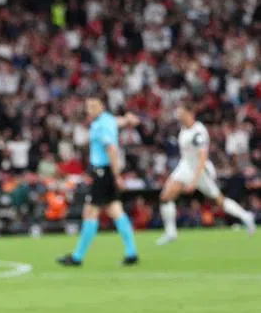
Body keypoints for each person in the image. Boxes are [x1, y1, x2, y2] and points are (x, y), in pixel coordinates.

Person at [157, 101, 255, 244]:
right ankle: (171, 233)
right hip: (184, 167)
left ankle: (246, 216)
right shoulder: (184, 129)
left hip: (200, 169)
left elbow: (202, 157)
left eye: (181, 111)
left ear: (189, 113)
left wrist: (194, 181)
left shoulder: (198, 131)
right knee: (165, 197)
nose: (178, 114)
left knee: (219, 200)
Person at [58, 99, 140, 267]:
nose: (89, 110)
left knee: (90, 213)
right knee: (115, 210)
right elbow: (120, 121)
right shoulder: (107, 120)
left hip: (103, 173)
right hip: (106, 173)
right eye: (88, 107)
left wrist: (117, 175)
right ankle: (131, 252)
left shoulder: (101, 126)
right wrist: (129, 119)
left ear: (101, 108)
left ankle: (77, 257)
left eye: (92, 107)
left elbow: (111, 149)